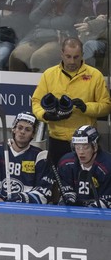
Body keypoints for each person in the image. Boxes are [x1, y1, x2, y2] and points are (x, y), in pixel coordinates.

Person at [31, 37, 111, 166]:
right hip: (57, 139)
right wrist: (45, 115)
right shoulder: (49, 74)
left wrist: (86, 107)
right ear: (61, 54)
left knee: (86, 181)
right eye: (68, 56)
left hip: (86, 141)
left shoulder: (95, 75)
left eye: (76, 57)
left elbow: (106, 106)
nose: (72, 61)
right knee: (57, 180)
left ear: (82, 55)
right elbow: (36, 101)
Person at [8, 0, 82, 72]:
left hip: (61, 36)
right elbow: (33, 17)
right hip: (39, 35)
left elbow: (66, 21)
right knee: (17, 56)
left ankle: (44, 87)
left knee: (39, 57)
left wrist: (42, 22)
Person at [0, 112, 54, 204]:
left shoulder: (40, 156)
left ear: (33, 134)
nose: (22, 132)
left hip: (27, 210)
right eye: (20, 128)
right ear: (14, 129)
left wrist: (22, 199)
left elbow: (44, 191)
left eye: (27, 130)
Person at [58, 125, 111, 208]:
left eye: (86, 147)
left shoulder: (108, 165)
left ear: (95, 147)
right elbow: (66, 189)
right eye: (77, 147)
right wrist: (68, 198)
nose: (81, 152)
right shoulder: (66, 163)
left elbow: (108, 198)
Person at [73, 0, 107, 68]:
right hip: (91, 35)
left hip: (105, 38)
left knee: (89, 45)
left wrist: (92, 25)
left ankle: (85, 76)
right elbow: (79, 19)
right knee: (70, 45)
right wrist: (89, 20)